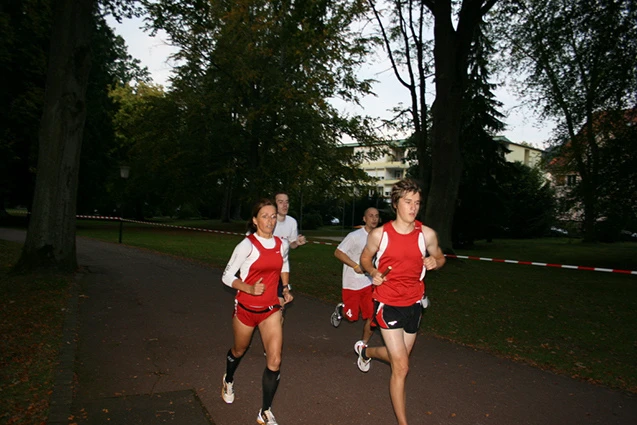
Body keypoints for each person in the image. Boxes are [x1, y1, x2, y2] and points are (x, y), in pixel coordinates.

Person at [357, 179, 445, 425]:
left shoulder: (426, 234)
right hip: (388, 303)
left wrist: (435, 262)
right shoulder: (380, 234)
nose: (413, 207)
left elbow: (440, 257)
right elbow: (365, 258)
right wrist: (373, 272)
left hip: (414, 304)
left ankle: (366, 351)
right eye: (408, 202)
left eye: (417, 203)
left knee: (400, 359)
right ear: (396, 203)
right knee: (402, 367)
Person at [221, 199, 293, 425]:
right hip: (246, 308)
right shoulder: (246, 245)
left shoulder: (282, 244)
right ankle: (228, 379)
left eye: (273, 216)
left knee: (275, 360)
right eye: (264, 216)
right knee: (239, 350)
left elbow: (284, 265)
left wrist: (286, 288)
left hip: (271, 309)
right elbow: (226, 276)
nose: (270, 221)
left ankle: (265, 411)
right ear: (255, 220)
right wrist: (249, 288)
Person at [330, 207, 380, 347]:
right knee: (351, 317)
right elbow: (338, 252)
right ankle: (341, 310)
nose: (374, 219)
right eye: (371, 216)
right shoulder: (354, 236)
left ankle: (363, 345)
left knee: (372, 316)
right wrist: (355, 266)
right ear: (364, 219)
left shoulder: (379, 237)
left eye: (376, 216)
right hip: (352, 283)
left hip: (369, 282)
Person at [272, 192, 306, 304]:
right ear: (274, 204)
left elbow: (291, 245)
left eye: (286, 202)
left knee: (279, 305)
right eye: (280, 202)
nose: (285, 205)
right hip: (264, 269)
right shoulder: (268, 221)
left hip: (281, 269)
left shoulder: (292, 222)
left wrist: (297, 243)